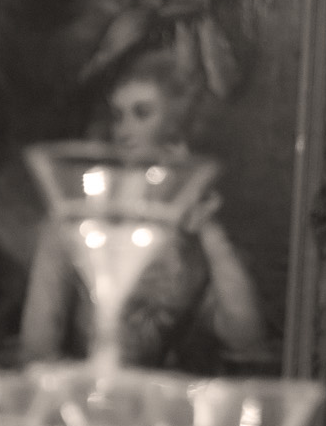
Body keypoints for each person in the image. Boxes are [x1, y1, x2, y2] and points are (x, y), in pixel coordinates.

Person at [18, 48, 277, 374]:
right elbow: (38, 348)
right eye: (118, 116)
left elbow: (245, 338)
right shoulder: (75, 222)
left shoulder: (195, 230)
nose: (123, 131)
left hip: (168, 399)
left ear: (176, 125)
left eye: (142, 114)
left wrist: (210, 230)